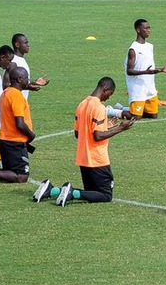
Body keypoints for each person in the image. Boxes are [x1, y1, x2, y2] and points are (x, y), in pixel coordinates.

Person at [47, 77, 134, 207]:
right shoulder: (99, 108)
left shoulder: (82, 105)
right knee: (105, 195)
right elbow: (97, 136)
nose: (109, 97)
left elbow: (78, 133)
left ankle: (52, 190)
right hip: (97, 159)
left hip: (83, 159)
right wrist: (121, 128)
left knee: (92, 193)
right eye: (110, 94)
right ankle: (71, 192)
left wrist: (106, 126)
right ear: (105, 89)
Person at [125, 17, 166, 118]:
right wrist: (146, 72)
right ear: (138, 30)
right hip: (137, 88)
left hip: (149, 87)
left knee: (153, 115)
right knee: (136, 117)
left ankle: (127, 108)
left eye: (149, 28)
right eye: (146, 28)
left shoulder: (149, 46)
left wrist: (161, 69)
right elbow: (129, 71)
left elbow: (149, 68)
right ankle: (111, 111)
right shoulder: (133, 49)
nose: (149, 30)